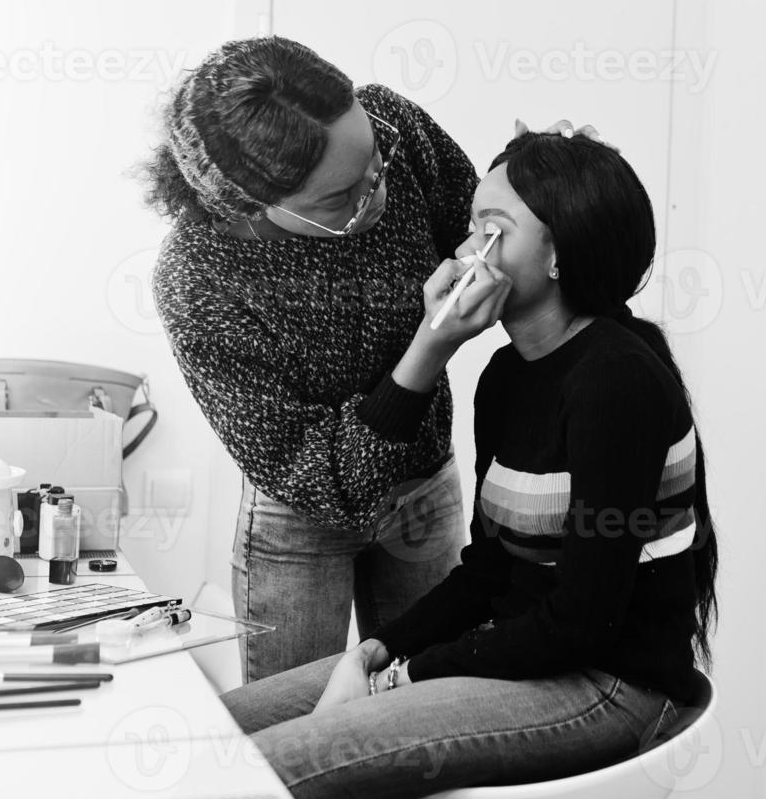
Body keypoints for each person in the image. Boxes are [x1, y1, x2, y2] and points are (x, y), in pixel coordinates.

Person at [218, 128, 720, 799]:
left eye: (492, 230)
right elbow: (490, 573)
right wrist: (376, 650)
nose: (463, 252)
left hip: (607, 685)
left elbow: (583, 623)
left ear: (559, 257)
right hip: (527, 660)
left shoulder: (616, 380)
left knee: (258, 778)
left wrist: (401, 678)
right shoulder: (505, 377)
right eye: (469, 227)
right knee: (207, 734)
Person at [142, 36, 499, 681]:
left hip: (425, 488)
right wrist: (428, 349)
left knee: (431, 710)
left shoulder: (395, 125)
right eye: (341, 201)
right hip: (301, 521)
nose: (380, 196)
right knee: (299, 729)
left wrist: (545, 178)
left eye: (375, 167)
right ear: (249, 205)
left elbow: (484, 236)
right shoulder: (201, 279)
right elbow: (320, 479)